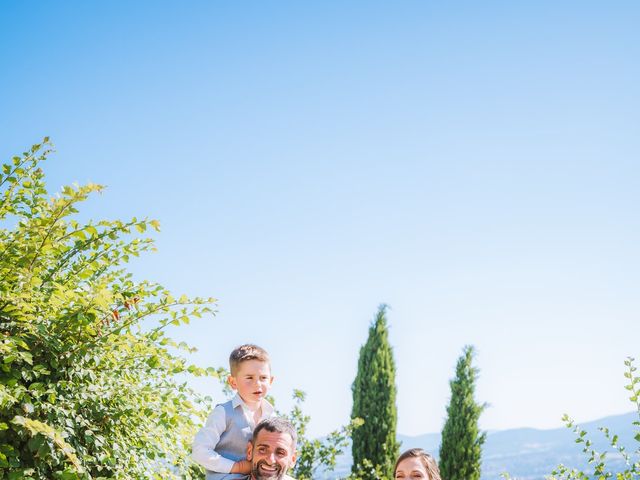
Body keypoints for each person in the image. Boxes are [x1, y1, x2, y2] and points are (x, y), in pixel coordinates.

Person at [192, 344, 276, 479]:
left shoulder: (271, 417)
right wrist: (237, 467)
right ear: (233, 382)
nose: (258, 384)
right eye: (249, 378)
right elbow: (199, 451)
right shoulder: (223, 412)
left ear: (271, 381)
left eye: (263, 378)